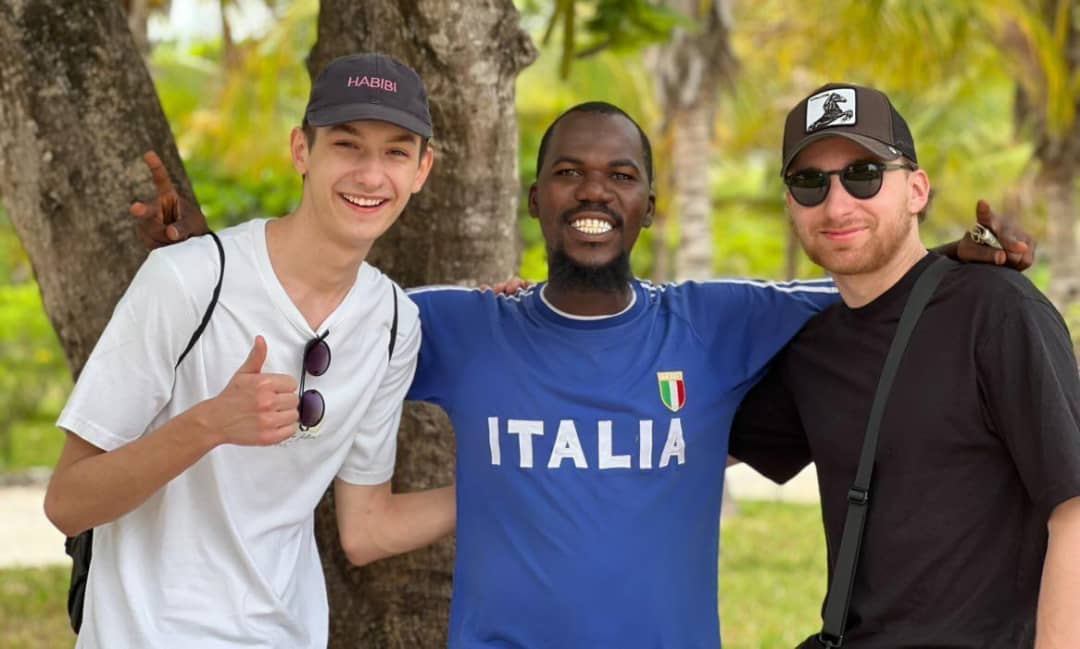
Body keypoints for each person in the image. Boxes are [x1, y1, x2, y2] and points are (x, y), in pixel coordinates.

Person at [133, 99, 1029, 648]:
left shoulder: (719, 320)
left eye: (620, 174)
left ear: (649, 204)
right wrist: (207, 262)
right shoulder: (456, 324)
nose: (594, 190)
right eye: (568, 172)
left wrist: (956, 262)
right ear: (536, 200)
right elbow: (314, 313)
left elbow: (870, 284)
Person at [44, 53, 455, 648]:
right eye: (347, 145)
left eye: (395, 152)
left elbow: (366, 529)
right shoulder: (188, 279)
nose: (371, 176)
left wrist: (500, 489)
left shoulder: (394, 323)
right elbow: (67, 502)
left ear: (422, 169)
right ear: (302, 151)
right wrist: (209, 424)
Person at [729, 83, 1080, 648]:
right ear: (791, 203)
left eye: (864, 175)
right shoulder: (814, 350)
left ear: (917, 190)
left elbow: (1073, 508)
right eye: (810, 183)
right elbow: (686, 447)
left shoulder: (996, 310)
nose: (837, 205)